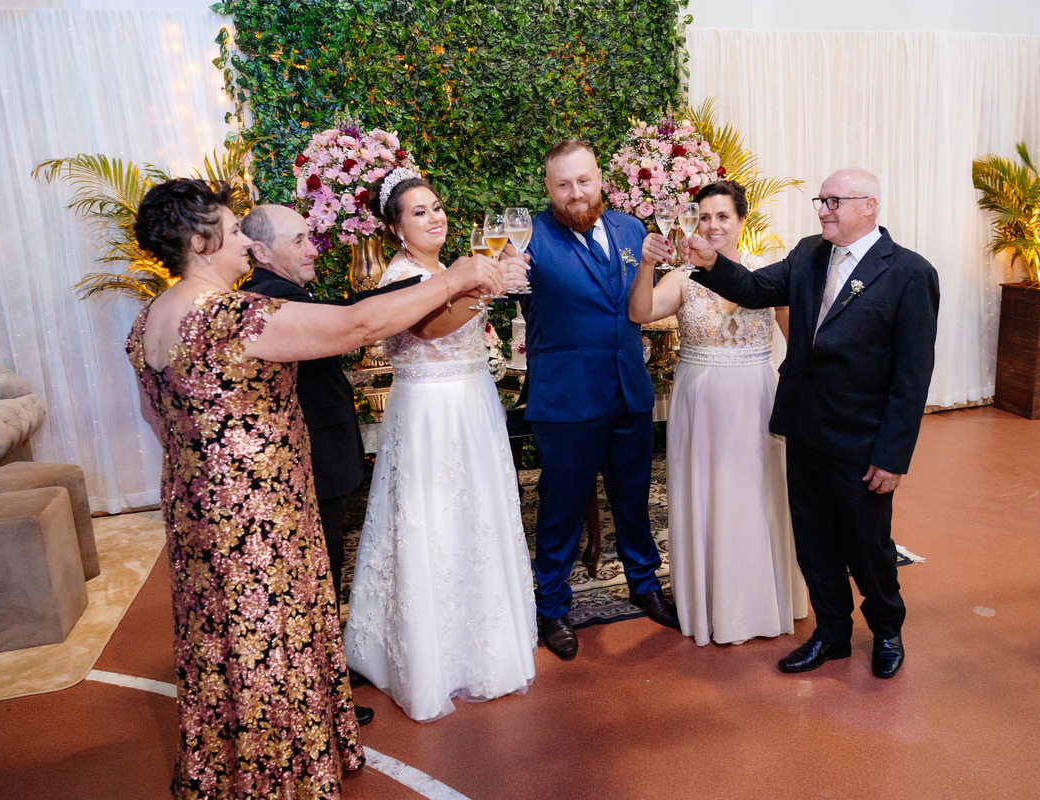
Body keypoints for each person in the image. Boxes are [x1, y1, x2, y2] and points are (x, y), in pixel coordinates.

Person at [125, 178, 505, 797]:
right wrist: (452, 280)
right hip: (259, 514)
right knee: (267, 638)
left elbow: (157, 422)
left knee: (221, 637)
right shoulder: (228, 317)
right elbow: (356, 325)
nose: (246, 247)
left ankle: (227, 768)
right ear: (200, 242)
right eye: (231, 233)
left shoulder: (148, 320)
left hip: (196, 509)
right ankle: (279, 777)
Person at [683, 169, 939, 679]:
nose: (822, 209)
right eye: (820, 200)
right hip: (804, 428)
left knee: (868, 547)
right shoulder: (808, 253)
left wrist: (892, 456)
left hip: (862, 439)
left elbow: (913, 376)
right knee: (815, 542)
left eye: (834, 201)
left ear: (869, 206)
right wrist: (710, 263)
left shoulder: (910, 273)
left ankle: (888, 630)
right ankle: (832, 634)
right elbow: (755, 288)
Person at [343, 169, 537, 722]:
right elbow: (427, 330)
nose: (434, 217)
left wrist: (487, 283)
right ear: (397, 228)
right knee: (433, 519)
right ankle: (432, 656)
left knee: (477, 516)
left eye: (437, 206)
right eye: (419, 212)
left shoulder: (450, 267)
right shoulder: (402, 275)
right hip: (431, 412)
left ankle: (487, 637)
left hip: (473, 402)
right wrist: (483, 288)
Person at [239, 204, 419, 723]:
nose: (312, 247)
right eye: (298, 240)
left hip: (311, 455)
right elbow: (352, 319)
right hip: (311, 458)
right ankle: (322, 695)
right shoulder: (275, 297)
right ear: (262, 252)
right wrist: (429, 284)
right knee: (320, 573)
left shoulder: (274, 292)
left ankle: (319, 679)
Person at [627, 180, 808, 646]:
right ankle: (711, 602)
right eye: (703, 217)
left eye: (722, 216)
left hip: (755, 397)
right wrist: (648, 263)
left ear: (741, 221)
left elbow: (799, 344)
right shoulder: (682, 278)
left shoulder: (768, 276)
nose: (712, 225)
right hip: (700, 401)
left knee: (757, 493)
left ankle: (761, 600)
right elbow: (641, 313)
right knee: (708, 493)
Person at [519, 138, 679, 660]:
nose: (575, 193)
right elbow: (499, 286)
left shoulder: (632, 230)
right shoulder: (528, 240)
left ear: (600, 179)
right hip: (566, 401)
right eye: (563, 185)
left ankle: (645, 584)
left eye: (583, 180)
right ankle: (552, 607)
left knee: (633, 500)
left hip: (628, 390)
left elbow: (638, 305)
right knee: (561, 509)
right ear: (548, 189)